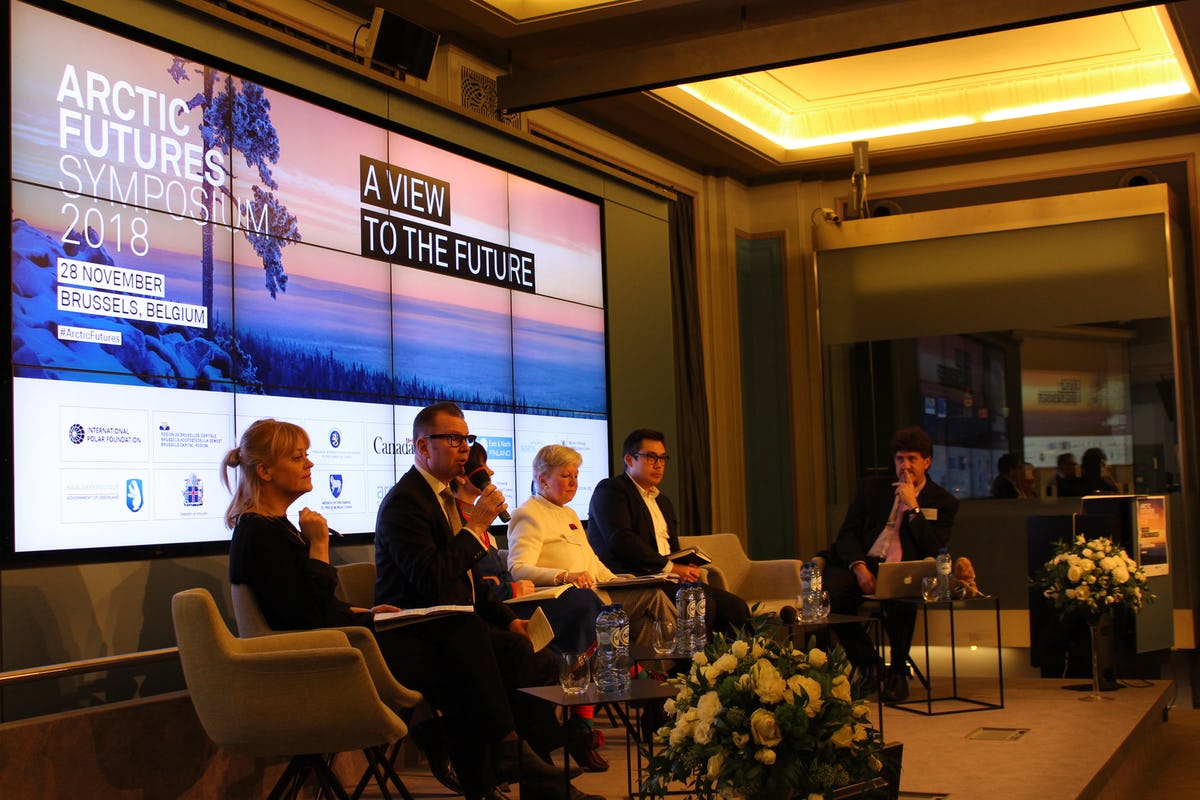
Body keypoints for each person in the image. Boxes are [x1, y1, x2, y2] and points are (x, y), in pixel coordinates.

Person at [223, 418, 560, 800]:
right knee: (459, 641)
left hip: (344, 643)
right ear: (265, 471)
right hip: (324, 663)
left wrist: (360, 612)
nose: (310, 464)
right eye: (298, 457)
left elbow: (307, 604)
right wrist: (318, 547)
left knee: (475, 646)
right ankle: (500, 751)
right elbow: (301, 619)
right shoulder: (257, 532)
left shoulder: (277, 527)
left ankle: (507, 765)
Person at [374, 402, 603, 800]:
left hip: (451, 627)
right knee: (485, 647)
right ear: (422, 447)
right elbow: (431, 580)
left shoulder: (443, 498)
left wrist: (505, 617)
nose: (464, 448)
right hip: (413, 633)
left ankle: (531, 775)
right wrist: (476, 525)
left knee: (525, 650)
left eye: (467, 439)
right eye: (452, 439)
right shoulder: (405, 502)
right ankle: (512, 756)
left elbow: (467, 583)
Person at [453, 442, 610, 773]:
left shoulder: (569, 514)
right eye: (565, 476)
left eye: (575, 476)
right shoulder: (527, 513)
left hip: (573, 602)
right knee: (587, 605)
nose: (572, 483)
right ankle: (580, 721)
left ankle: (585, 710)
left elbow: (593, 563)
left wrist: (622, 580)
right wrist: (564, 575)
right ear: (541, 479)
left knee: (610, 609)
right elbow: (519, 568)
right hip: (534, 605)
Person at [821, 426, 959, 703]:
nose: (904, 466)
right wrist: (859, 568)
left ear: (926, 462)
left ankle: (897, 671)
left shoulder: (943, 501)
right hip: (865, 562)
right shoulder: (872, 489)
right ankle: (868, 662)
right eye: (899, 459)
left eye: (911, 459)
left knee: (901, 595)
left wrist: (914, 509)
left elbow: (935, 549)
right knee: (832, 594)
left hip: (904, 569)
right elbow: (847, 533)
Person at [586, 428, 751, 638]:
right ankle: (691, 670)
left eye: (663, 458)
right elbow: (621, 540)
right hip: (636, 580)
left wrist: (686, 567)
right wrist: (672, 567)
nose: (659, 464)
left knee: (736, 607)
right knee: (701, 606)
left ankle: (731, 669)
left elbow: (672, 549)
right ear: (629, 460)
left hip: (668, 578)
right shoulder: (611, 490)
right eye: (651, 457)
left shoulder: (663, 501)